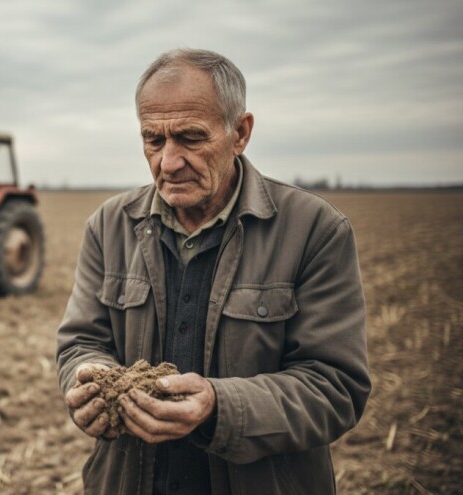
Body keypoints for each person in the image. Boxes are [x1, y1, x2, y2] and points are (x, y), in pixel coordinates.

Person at [56, 48, 370, 495]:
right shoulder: (109, 226)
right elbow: (81, 342)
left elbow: (335, 387)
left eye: (190, 138)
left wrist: (220, 407)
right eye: (154, 140)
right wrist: (88, 381)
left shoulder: (315, 231)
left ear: (240, 133)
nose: (168, 162)